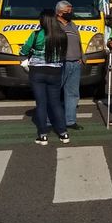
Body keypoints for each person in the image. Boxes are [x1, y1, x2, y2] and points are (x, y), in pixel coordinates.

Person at [20, 9, 69, 146]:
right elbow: (64, 53)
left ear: (42, 21)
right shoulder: (62, 35)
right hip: (55, 72)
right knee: (56, 103)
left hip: (37, 72)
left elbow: (23, 50)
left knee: (41, 104)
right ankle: (63, 133)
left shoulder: (36, 35)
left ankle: (43, 135)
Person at [56, 0, 84, 131]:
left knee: (72, 93)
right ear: (60, 12)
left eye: (71, 10)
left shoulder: (73, 25)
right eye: (68, 11)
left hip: (75, 63)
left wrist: (81, 57)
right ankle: (50, 120)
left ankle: (70, 121)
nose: (70, 13)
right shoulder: (54, 25)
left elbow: (79, 42)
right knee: (54, 92)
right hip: (60, 63)